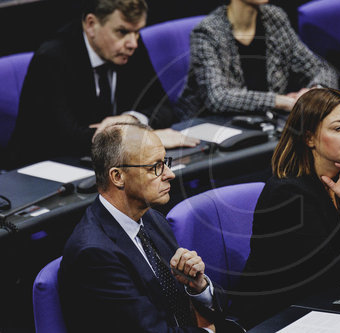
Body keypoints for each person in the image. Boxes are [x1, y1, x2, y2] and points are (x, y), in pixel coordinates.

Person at [229, 88, 340, 329]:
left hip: (331, 303)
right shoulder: (288, 196)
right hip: (280, 316)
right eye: (338, 128)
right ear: (309, 138)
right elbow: (331, 273)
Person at [59, 122, 243, 333]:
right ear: (118, 177)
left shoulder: (152, 219)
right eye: (155, 167)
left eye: (165, 162)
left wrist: (198, 288)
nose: (169, 174)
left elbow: (204, 307)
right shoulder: (93, 253)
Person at [6, 0, 198, 170]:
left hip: (106, 165)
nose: (133, 43)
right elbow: (65, 138)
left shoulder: (129, 49)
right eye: (122, 31)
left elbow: (163, 107)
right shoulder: (52, 59)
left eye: (137, 31)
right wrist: (138, 137)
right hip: (45, 170)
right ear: (91, 25)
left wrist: (132, 119)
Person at [176, 0, 338, 118]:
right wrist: (278, 101)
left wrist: (315, 91)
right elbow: (218, 98)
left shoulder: (275, 18)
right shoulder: (206, 33)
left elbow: (321, 69)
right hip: (212, 127)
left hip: (265, 121)